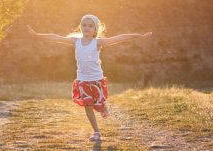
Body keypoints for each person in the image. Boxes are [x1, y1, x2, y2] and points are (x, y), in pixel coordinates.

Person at [27, 14, 152, 142]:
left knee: (99, 105)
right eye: (84, 25)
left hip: (97, 80)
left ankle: (103, 107)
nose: (86, 28)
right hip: (83, 81)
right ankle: (96, 132)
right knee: (88, 106)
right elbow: (55, 37)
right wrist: (37, 35)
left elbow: (120, 38)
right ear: (80, 27)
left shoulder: (98, 42)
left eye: (90, 26)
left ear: (95, 29)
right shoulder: (75, 41)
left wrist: (139, 36)